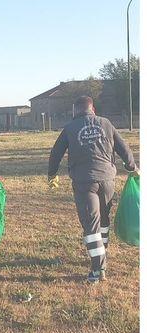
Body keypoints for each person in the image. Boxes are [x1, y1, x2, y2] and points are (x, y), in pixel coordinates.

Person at [47, 95, 138, 283]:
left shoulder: (70, 128)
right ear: (93, 109)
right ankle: (101, 254)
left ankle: (98, 269)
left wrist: (52, 174)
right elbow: (124, 149)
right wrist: (132, 167)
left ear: (75, 111)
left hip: (84, 182)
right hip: (107, 179)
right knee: (103, 220)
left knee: (91, 225)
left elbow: (55, 153)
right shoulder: (106, 123)